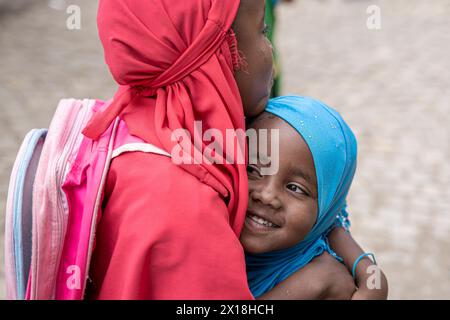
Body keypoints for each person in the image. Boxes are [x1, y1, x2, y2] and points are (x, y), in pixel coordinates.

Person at [242, 96, 388, 299]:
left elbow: (374, 280)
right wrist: (312, 283)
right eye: (252, 169)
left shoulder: (336, 287)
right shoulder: (321, 279)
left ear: (327, 209)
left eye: (296, 188)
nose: (266, 195)